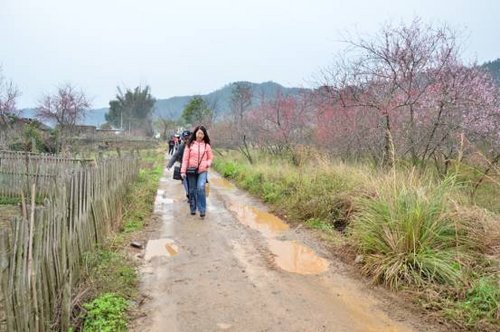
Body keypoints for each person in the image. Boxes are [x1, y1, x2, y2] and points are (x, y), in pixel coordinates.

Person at [181, 126, 213, 218]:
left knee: (200, 188)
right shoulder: (189, 144)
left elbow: (210, 157)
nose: (200, 135)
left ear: (204, 135)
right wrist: (183, 171)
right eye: (198, 133)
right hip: (191, 170)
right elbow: (185, 159)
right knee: (192, 190)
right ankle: (193, 208)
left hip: (202, 171)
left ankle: (202, 210)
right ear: (195, 133)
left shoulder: (207, 145)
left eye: (202, 133)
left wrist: (207, 163)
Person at [167, 130, 191, 200]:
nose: (186, 140)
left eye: (188, 138)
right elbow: (175, 155)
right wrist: (169, 165)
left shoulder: (194, 145)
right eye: (185, 138)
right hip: (183, 165)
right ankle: (188, 193)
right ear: (183, 139)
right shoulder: (181, 146)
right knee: (184, 179)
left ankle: (193, 193)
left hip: (193, 166)